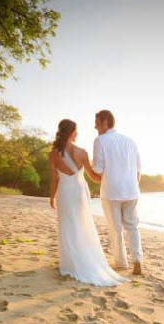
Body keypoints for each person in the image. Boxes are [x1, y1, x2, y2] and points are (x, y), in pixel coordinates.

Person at [48, 119, 127, 286]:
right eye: (76, 131)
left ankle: (70, 262)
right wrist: (111, 179)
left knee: (67, 224)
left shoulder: (53, 154)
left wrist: (52, 197)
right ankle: (82, 259)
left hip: (64, 191)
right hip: (79, 191)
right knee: (82, 224)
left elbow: (54, 179)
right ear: (71, 133)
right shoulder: (82, 152)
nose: (77, 134)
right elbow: (92, 175)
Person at [92, 110, 144, 275]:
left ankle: (122, 263)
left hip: (111, 192)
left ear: (105, 122)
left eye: (97, 122)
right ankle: (137, 260)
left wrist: (86, 165)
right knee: (133, 227)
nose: (95, 126)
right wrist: (133, 186)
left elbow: (98, 169)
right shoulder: (130, 141)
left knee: (115, 229)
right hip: (132, 191)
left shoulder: (100, 140)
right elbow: (138, 170)